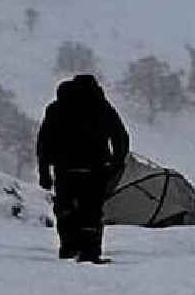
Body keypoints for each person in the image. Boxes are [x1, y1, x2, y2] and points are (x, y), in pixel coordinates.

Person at [36, 74, 129, 263]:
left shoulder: (56, 108)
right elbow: (120, 136)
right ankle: (90, 252)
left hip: (64, 168)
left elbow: (44, 143)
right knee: (92, 211)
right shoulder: (102, 107)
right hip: (95, 168)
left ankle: (68, 247)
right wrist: (116, 163)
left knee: (65, 209)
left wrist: (44, 172)